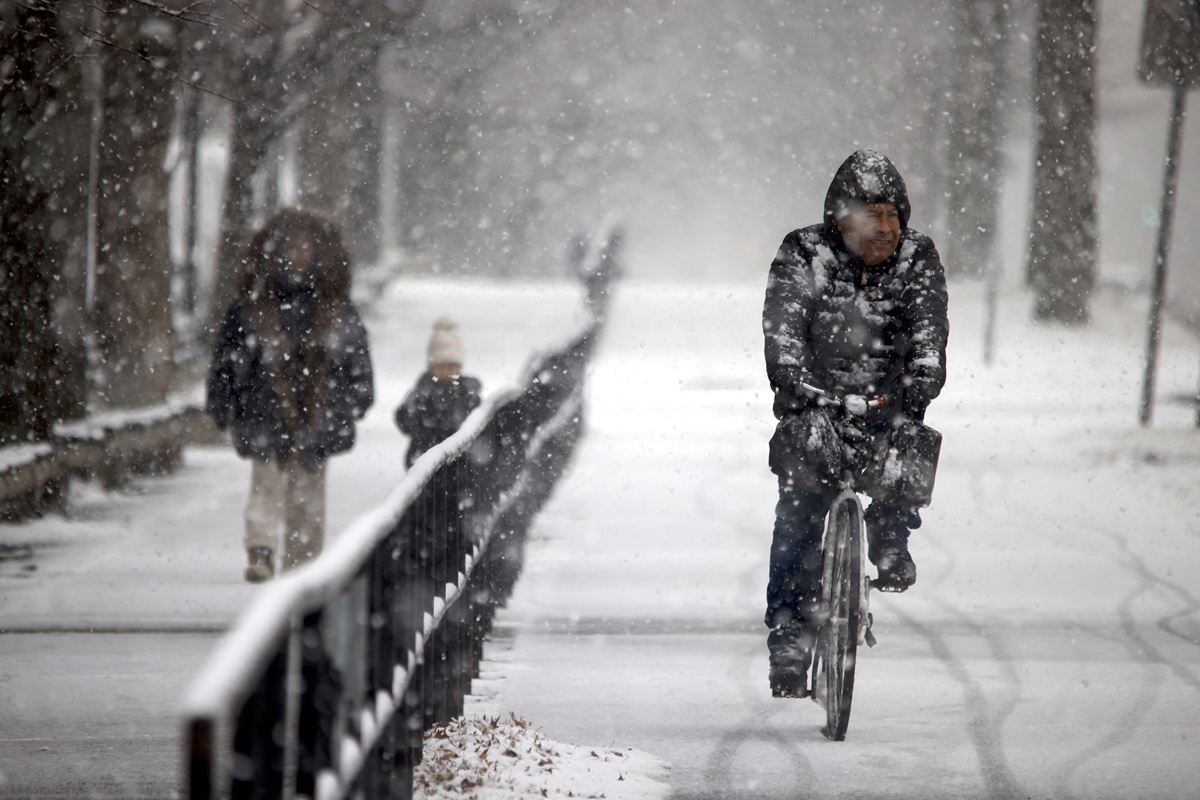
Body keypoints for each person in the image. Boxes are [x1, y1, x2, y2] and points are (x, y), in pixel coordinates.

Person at [761, 150, 949, 698]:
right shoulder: (803, 253)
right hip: (815, 407)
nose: (887, 228)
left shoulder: (918, 257)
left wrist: (921, 379)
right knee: (798, 517)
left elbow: (929, 334)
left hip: (887, 406)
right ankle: (790, 638)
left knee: (911, 442)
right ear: (840, 219)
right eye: (873, 215)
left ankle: (891, 534)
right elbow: (784, 329)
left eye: (893, 215)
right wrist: (794, 380)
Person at [206, 208, 374, 583]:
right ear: (276, 253)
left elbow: (355, 358)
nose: (298, 255)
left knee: (308, 497)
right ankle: (262, 551)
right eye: (291, 247)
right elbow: (226, 360)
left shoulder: (336, 310)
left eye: (306, 247)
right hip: (264, 409)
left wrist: (359, 396)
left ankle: (301, 571)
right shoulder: (250, 310)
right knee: (265, 484)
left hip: (318, 414)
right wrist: (222, 400)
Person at [394, 316, 482, 468]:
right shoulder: (422, 391)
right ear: (431, 368)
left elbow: (478, 419)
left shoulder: (467, 392)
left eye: (452, 367)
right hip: (425, 455)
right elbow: (403, 416)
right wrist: (420, 426)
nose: (446, 372)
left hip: (462, 461)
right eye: (441, 367)